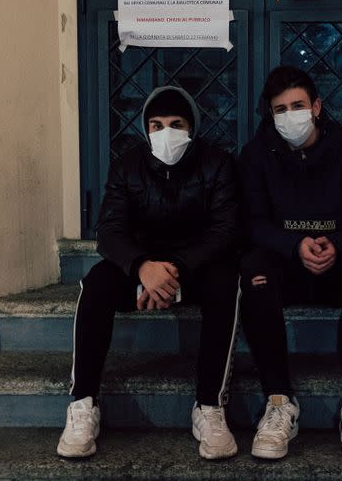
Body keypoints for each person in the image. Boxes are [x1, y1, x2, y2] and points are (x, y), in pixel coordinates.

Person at [57, 86, 240, 461]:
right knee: (95, 284)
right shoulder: (127, 164)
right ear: (145, 127)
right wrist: (142, 268)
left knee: (227, 283)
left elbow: (226, 231)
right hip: (139, 267)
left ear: (192, 127)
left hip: (194, 268)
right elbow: (108, 232)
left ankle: (209, 406)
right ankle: (83, 403)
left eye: (176, 124)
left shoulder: (217, 163)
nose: (166, 133)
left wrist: (173, 272)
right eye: (156, 125)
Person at [237, 65, 342, 461]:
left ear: (317, 107)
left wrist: (338, 245)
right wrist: (295, 245)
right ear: (270, 114)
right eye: (280, 109)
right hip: (286, 267)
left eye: (298, 105)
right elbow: (251, 223)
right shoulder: (256, 156)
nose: (290, 115)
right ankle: (279, 402)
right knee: (253, 268)